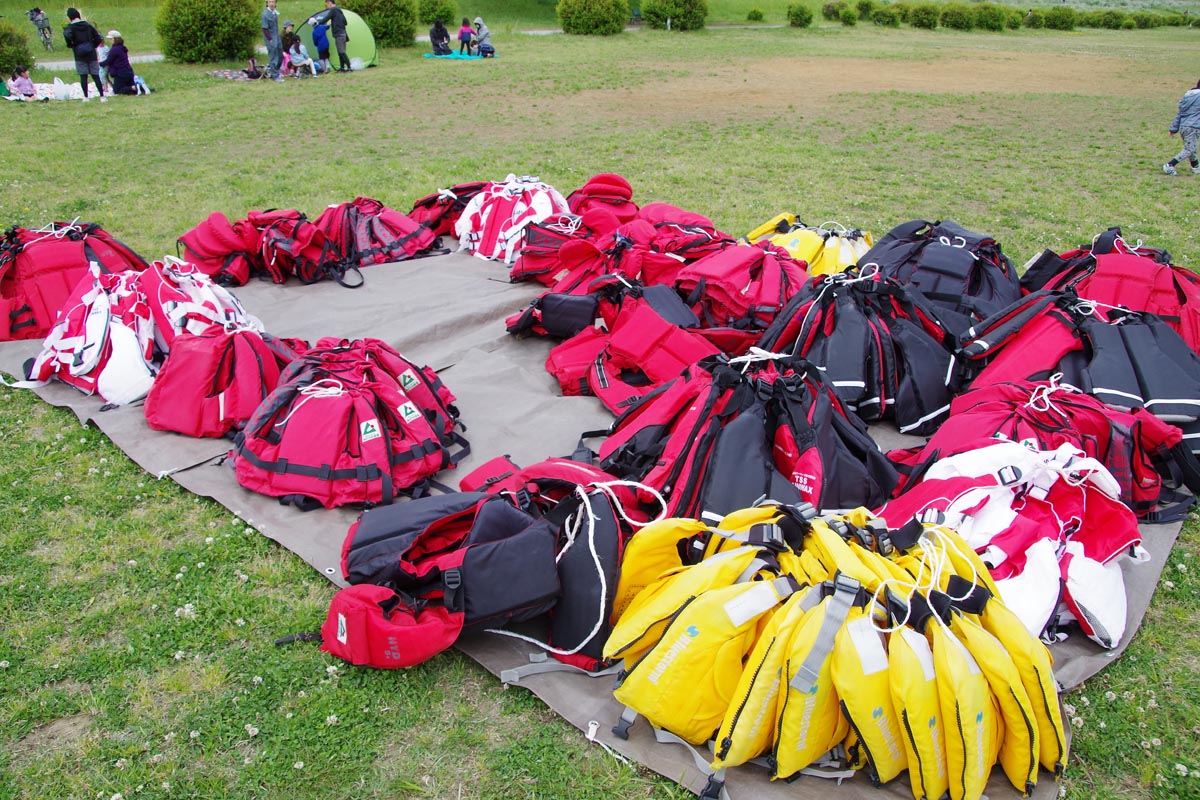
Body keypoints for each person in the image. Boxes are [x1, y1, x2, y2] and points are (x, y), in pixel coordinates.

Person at [63, 7, 106, 102]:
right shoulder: (88, 26)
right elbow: (98, 38)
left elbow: (67, 38)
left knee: (83, 76)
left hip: (79, 55)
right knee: (95, 75)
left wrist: (72, 46)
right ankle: (102, 96)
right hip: (91, 54)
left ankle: (86, 97)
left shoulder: (70, 28)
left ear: (70, 17)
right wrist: (92, 46)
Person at [1163, 79, 1200, 176]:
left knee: (1192, 147)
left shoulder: (1188, 96)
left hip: (1184, 127)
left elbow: (1180, 114)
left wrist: (1173, 128)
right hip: (1193, 127)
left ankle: (1195, 166)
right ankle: (1169, 165)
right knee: (1190, 149)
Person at [100, 31, 136, 95]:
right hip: (129, 71)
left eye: (111, 39)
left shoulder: (115, 49)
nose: (110, 40)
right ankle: (135, 88)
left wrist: (100, 64)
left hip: (121, 73)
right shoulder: (122, 48)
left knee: (117, 90)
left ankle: (132, 87)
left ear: (115, 39)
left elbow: (108, 61)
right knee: (130, 89)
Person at [325, 0, 351, 73]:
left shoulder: (333, 10)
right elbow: (345, 22)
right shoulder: (339, 10)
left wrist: (317, 23)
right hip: (343, 34)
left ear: (329, 3)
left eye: (327, 4)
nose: (327, 6)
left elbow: (326, 18)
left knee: (341, 52)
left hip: (339, 34)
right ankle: (342, 68)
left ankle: (349, 67)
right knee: (340, 52)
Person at [261, 0, 284, 82]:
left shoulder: (275, 13)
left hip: (276, 36)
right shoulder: (265, 14)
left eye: (273, 2)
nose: (271, 4)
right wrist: (270, 39)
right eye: (270, 2)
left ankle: (275, 71)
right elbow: (264, 28)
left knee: (281, 56)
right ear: (267, 3)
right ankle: (275, 76)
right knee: (273, 57)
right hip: (270, 37)